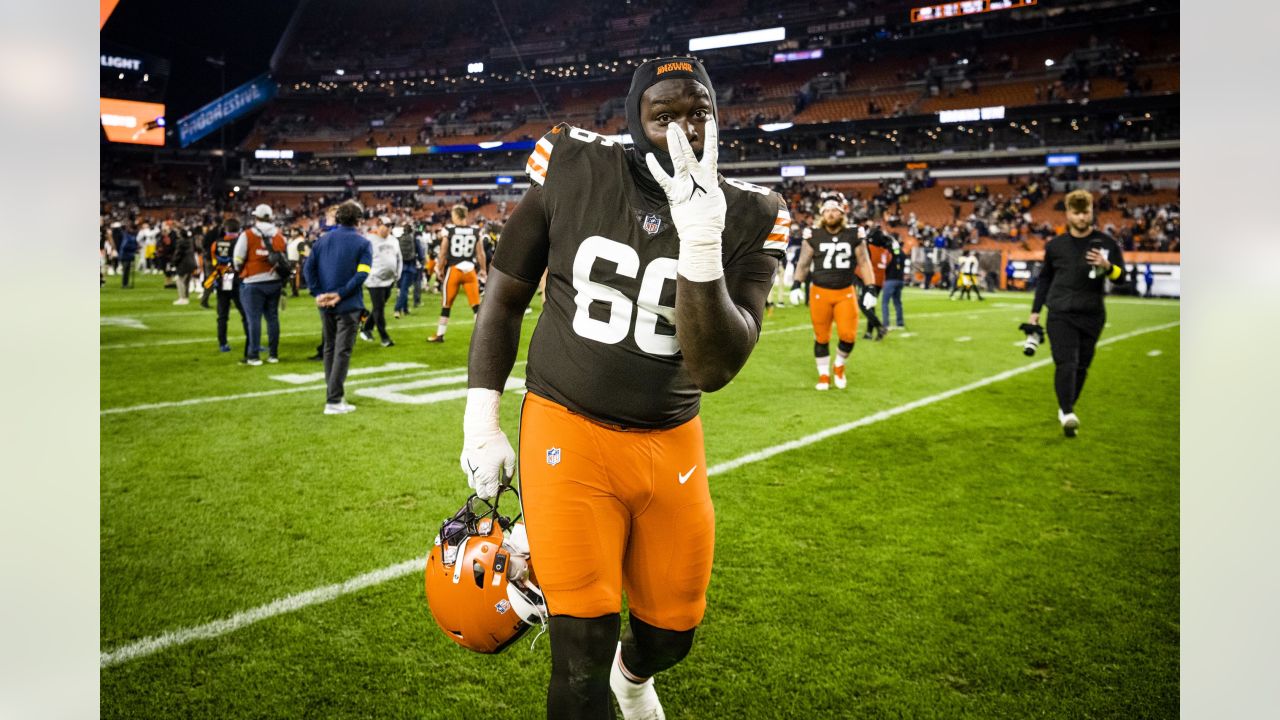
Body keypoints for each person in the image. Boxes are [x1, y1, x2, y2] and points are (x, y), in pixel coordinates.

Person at [455, 56, 787, 719]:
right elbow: (504, 295)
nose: (683, 130)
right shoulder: (574, 161)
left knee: (671, 636)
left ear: (718, 118)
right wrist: (480, 419)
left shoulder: (753, 211)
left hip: (671, 440)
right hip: (567, 427)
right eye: (662, 115)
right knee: (579, 651)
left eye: (698, 112)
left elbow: (716, 368)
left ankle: (633, 678)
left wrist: (699, 241)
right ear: (634, 123)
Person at [1028, 189, 1127, 437]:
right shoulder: (1055, 246)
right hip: (1060, 312)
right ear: (1068, 214)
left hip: (1092, 313)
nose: (1082, 218)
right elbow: (1044, 279)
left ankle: (1066, 410)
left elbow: (1123, 278)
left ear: (1092, 212)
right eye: (1077, 213)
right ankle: (1067, 410)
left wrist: (1108, 267)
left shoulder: (1107, 243)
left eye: (1086, 212)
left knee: (1082, 367)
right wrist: (1035, 311)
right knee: (1066, 362)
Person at [791, 194, 878, 390]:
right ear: (822, 214)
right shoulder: (813, 234)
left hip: (845, 292)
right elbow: (803, 263)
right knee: (821, 337)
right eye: (827, 211)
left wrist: (871, 287)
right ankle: (823, 376)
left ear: (842, 213)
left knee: (848, 335)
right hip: (819, 292)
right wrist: (797, 283)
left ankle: (839, 365)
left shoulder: (854, 233)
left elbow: (864, 262)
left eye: (834, 210)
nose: (830, 214)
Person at [304, 200, 372, 415]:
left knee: (329, 349)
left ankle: (334, 394)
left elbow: (308, 268)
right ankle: (333, 400)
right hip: (349, 303)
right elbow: (362, 274)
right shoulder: (363, 243)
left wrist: (318, 293)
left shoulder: (322, 241)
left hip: (325, 303)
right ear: (359, 220)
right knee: (341, 351)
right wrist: (341, 293)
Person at [233, 204, 286, 366]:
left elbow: (238, 259)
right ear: (270, 217)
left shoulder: (247, 234)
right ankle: (273, 354)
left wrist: (241, 270)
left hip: (253, 281)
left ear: (256, 217)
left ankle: (254, 356)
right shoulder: (279, 235)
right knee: (272, 319)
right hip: (274, 280)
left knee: (253, 320)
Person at [426, 204, 488, 343]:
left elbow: (442, 252)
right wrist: (483, 270)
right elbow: (481, 253)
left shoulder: (449, 229)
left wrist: (439, 268)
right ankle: (483, 337)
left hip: (454, 270)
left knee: (446, 305)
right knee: (476, 305)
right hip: (470, 271)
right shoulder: (475, 230)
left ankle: (440, 334)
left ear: (456, 215)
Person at [209, 218, 249, 355]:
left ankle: (223, 343)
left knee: (222, 315)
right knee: (245, 313)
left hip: (223, 279)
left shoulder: (216, 243)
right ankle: (252, 342)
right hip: (237, 279)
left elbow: (213, 261)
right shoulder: (240, 241)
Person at [361, 218, 402, 347]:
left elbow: (398, 258)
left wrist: (398, 274)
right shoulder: (369, 240)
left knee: (379, 307)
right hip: (375, 281)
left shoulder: (394, 240)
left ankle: (366, 329)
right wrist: (368, 274)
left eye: (390, 226)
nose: (388, 228)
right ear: (378, 226)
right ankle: (384, 337)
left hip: (389, 280)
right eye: (386, 225)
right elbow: (362, 259)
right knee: (379, 308)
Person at [393, 215, 420, 318]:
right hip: (409, 267)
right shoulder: (414, 239)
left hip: (399, 267)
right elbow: (420, 253)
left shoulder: (398, 239)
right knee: (404, 290)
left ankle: (405, 309)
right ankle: (397, 309)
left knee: (401, 289)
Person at [879, 231, 907, 330]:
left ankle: (886, 324)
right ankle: (900, 323)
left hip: (890, 280)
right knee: (897, 302)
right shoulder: (902, 253)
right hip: (900, 280)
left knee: (885, 303)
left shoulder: (889, 253)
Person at [171, 222, 198, 305]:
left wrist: (173, 263)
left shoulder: (180, 242)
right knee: (186, 282)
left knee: (179, 281)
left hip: (183, 264)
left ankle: (182, 298)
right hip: (191, 263)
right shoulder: (190, 241)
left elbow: (178, 254)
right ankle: (186, 298)